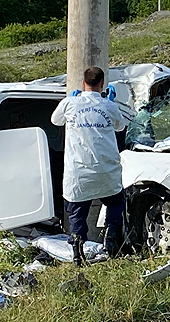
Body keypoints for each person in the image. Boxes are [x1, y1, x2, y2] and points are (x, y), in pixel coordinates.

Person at [51, 66, 128, 265]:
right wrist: (108, 103)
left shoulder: (71, 103)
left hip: (79, 172)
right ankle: (110, 238)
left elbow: (55, 121)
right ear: (102, 84)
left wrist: (72, 100)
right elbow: (120, 126)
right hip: (105, 172)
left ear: (83, 83)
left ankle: (77, 252)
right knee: (115, 202)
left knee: (77, 210)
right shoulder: (109, 106)